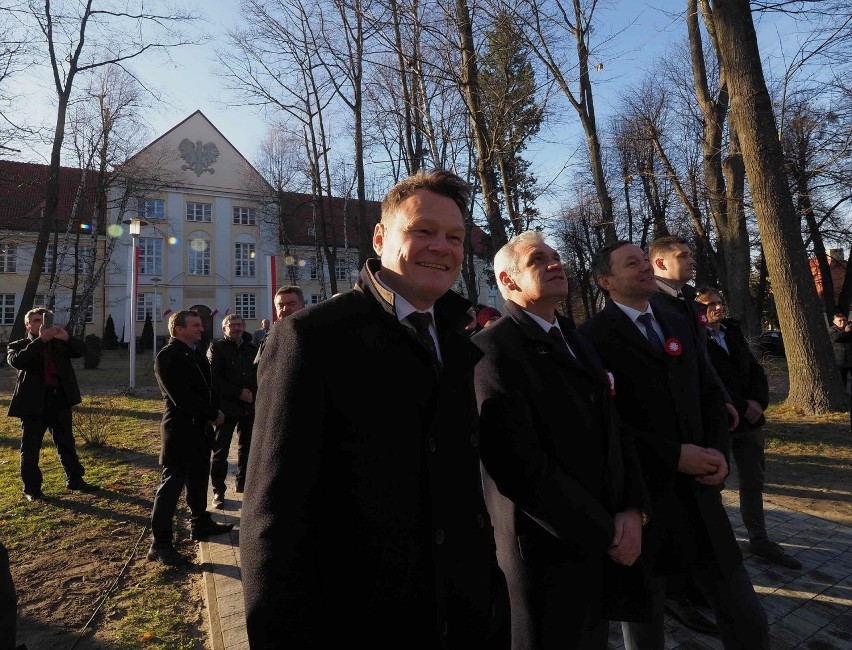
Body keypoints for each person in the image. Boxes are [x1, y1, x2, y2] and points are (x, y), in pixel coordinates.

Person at [241, 169, 509, 648]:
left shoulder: (460, 338)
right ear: (382, 237)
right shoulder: (312, 338)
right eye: (423, 231)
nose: (441, 247)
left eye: (454, 237)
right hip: (363, 622)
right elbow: (272, 520)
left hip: (464, 618)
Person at [578, 241, 769, 650]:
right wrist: (673, 456)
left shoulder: (678, 319)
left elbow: (707, 393)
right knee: (645, 628)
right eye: (633, 263)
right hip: (645, 505)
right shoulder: (589, 339)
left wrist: (717, 450)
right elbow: (604, 428)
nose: (646, 267)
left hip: (701, 499)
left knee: (747, 617)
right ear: (606, 281)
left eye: (645, 260)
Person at [474, 231, 649, 649]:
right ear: (508, 280)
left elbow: (614, 427)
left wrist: (632, 507)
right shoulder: (491, 352)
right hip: (546, 553)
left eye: (556, 257)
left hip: (602, 541)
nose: (556, 264)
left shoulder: (576, 340)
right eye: (538, 260)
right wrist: (606, 530)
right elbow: (520, 469)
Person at [696, 287, 801, 570]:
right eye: (710, 304)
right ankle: (719, 544)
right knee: (714, 486)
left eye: (720, 303)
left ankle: (759, 538)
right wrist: (743, 405)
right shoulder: (695, 339)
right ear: (697, 310)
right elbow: (712, 380)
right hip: (720, 424)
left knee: (753, 481)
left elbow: (754, 368)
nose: (718, 308)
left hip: (751, 423)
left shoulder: (731, 332)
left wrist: (758, 401)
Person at [148, 310, 234, 566]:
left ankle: (200, 523)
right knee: (171, 486)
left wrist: (215, 412)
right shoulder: (168, 356)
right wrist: (212, 413)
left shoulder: (194, 353)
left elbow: (208, 387)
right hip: (180, 431)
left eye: (201, 324)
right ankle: (160, 544)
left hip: (200, 430)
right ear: (178, 329)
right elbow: (182, 397)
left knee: (198, 480)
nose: (201, 328)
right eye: (195, 325)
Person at [6, 308, 99, 501]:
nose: (40, 323)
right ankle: (32, 488)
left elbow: (81, 351)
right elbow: (18, 361)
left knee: (66, 443)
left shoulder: (59, 344)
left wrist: (66, 338)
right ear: (28, 324)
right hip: (33, 405)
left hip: (59, 400)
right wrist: (41, 341)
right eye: (36, 320)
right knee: (31, 448)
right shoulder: (19, 344)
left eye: (43, 320)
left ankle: (75, 479)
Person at [207, 314, 258, 507]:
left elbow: (259, 373)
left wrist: (252, 393)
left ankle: (243, 486)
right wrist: (238, 393)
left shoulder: (252, 348)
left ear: (244, 327)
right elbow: (213, 379)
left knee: (247, 449)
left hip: (249, 407)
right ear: (224, 329)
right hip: (226, 407)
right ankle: (218, 491)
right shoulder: (217, 348)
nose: (236, 328)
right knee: (221, 451)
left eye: (239, 325)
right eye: (232, 325)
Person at [253, 286, 306, 364]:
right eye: (280, 306)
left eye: (291, 304)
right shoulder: (268, 338)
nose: (285, 309)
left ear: (303, 305)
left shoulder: (316, 334)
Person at [828, 313, 852, 391]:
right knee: (842, 382)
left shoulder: (849, 327)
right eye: (839, 320)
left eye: (844, 320)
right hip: (840, 361)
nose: (842, 322)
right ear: (834, 322)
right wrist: (845, 332)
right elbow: (834, 339)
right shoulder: (832, 330)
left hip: (850, 359)